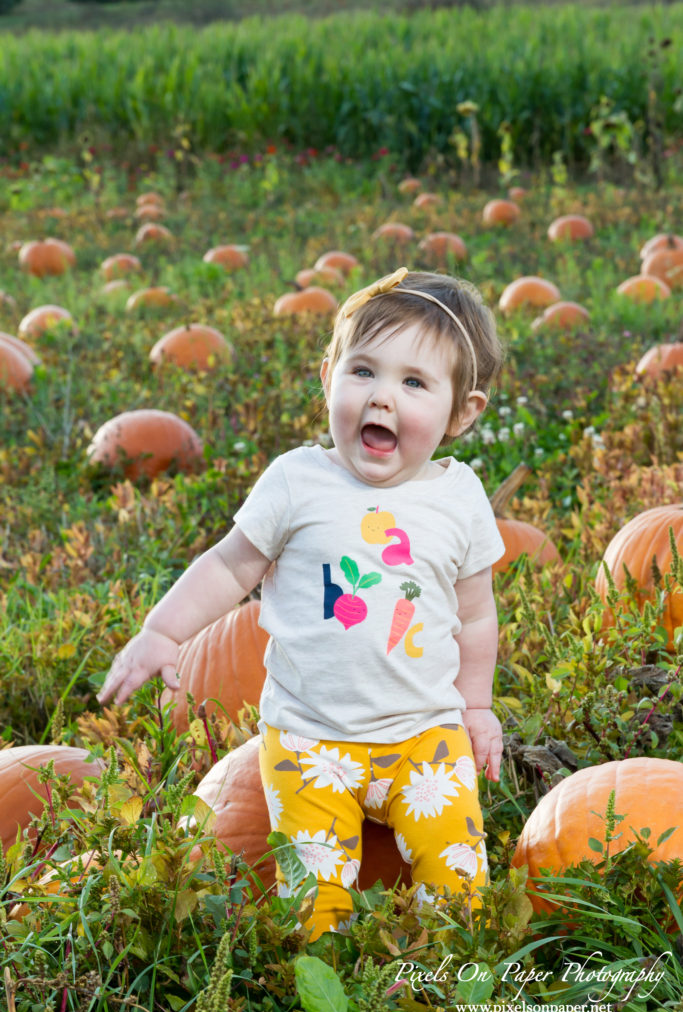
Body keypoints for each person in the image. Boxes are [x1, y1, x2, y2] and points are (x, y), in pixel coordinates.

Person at [98, 266, 506, 939]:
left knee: (459, 882)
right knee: (311, 900)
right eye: (363, 372)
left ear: (462, 412)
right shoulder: (296, 482)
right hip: (311, 742)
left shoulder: (458, 498)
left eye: (413, 382)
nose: (381, 398)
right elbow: (230, 566)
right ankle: (327, 981)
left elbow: (475, 614)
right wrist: (162, 632)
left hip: (424, 736)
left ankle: (446, 976)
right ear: (328, 377)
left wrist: (477, 704)